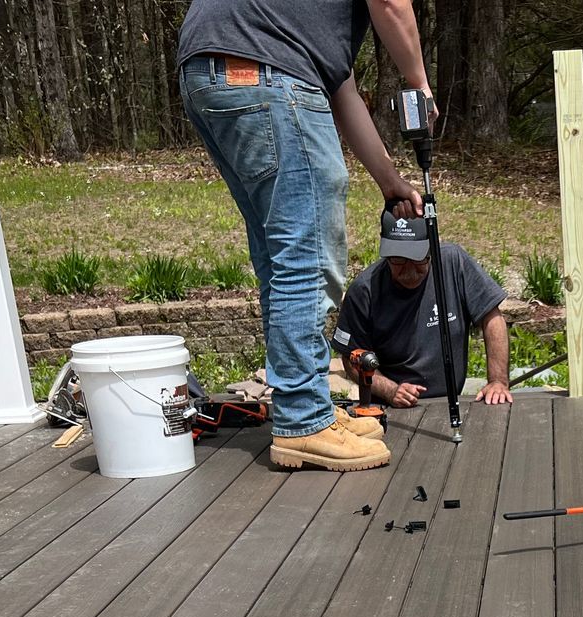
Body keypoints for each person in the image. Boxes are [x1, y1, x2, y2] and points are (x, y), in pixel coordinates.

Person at [177, 0, 432, 472]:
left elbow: (343, 92)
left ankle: (307, 403)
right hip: (266, 71)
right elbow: (391, 3)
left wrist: (391, 182)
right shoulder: (285, 35)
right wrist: (419, 83)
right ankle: (304, 422)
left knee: (280, 256)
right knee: (306, 256)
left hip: (211, 71)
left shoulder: (300, 19)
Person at [335, 210, 513, 409]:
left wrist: (498, 381)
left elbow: (492, 319)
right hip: (391, 407)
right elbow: (352, 359)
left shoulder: (454, 262)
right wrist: (390, 390)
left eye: (419, 259)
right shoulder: (364, 290)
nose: (409, 270)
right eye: (399, 260)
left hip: (451, 401)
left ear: (431, 248)